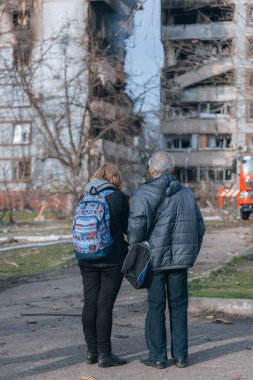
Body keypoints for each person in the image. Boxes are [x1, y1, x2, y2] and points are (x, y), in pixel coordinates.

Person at [128, 151, 206, 369]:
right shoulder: (187, 194)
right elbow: (200, 227)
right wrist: (189, 254)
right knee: (179, 307)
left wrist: (135, 245)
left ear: (152, 171)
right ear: (172, 170)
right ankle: (181, 356)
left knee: (156, 307)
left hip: (154, 260)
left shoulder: (144, 193)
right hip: (180, 263)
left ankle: (158, 357)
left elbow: (135, 228)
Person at [78, 163, 129, 368]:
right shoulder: (117, 197)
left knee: (90, 303)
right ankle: (105, 355)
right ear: (115, 177)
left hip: (86, 256)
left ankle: (91, 352)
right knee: (104, 306)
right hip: (111, 259)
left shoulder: (84, 196)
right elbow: (127, 228)